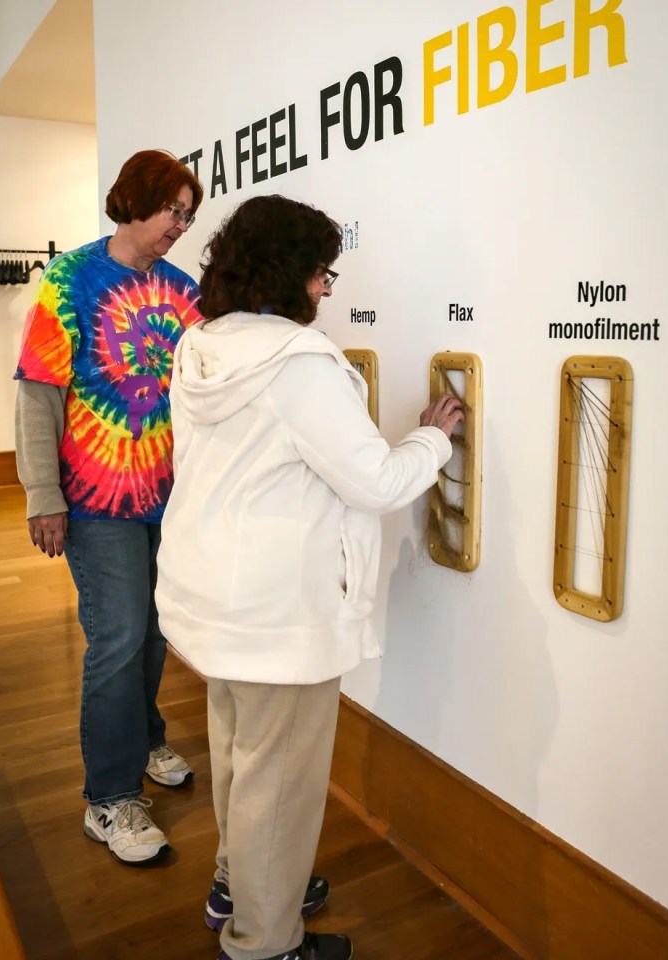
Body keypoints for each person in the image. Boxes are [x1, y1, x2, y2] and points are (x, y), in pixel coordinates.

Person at [155, 194, 464, 960]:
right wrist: (431, 440)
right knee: (279, 786)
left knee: (239, 758)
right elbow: (375, 482)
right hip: (278, 615)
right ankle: (263, 942)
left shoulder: (200, 345)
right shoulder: (298, 366)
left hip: (210, 600)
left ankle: (239, 885)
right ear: (288, 270)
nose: (327, 287)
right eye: (323, 271)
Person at [14, 149, 204, 866]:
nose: (180, 225)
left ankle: (145, 739)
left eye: (189, 215)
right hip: (95, 500)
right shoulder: (70, 280)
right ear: (135, 201)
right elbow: (38, 394)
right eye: (172, 210)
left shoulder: (183, 292)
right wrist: (42, 493)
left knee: (154, 634)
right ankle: (110, 797)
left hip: (170, 496)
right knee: (119, 634)